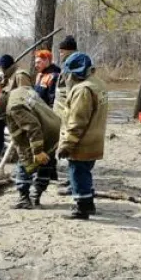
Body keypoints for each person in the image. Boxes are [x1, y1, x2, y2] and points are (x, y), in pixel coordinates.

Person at [57, 52, 109, 220]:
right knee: (85, 171)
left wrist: (67, 144)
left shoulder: (82, 90)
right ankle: (89, 204)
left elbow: (77, 122)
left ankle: (82, 208)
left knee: (77, 172)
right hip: (95, 138)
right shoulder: (98, 84)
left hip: (82, 141)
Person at [0, 86, 61, 209]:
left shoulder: (13, 107)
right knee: (46, 162)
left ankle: (24, 198)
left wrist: (37, 151)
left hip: (43, 133)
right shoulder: (19, 91)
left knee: (24, 165)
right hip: (53, 128)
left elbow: (33, 127)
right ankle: (36, 196)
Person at [54, 35, 78, 197]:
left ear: (69, 51)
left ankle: (74, 184)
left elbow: (72, 93)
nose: (60, 54)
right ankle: (71, 179)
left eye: (62, 51)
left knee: (72, 149)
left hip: (69, 115)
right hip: (62, 115)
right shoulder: (66, 66)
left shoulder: (73, 67)